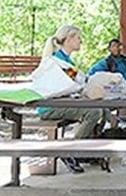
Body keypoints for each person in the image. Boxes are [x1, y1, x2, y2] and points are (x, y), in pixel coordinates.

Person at [36, 25, 109, 173]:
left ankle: (84, 150)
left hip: (61, 103)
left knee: (104, 110)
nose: (80, 41)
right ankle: (69, 150)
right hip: (49, 107)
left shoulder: (65, 60)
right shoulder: (59, 61)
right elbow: (79, 83)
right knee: (93, 113)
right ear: (68, 39)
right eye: (77, 38)